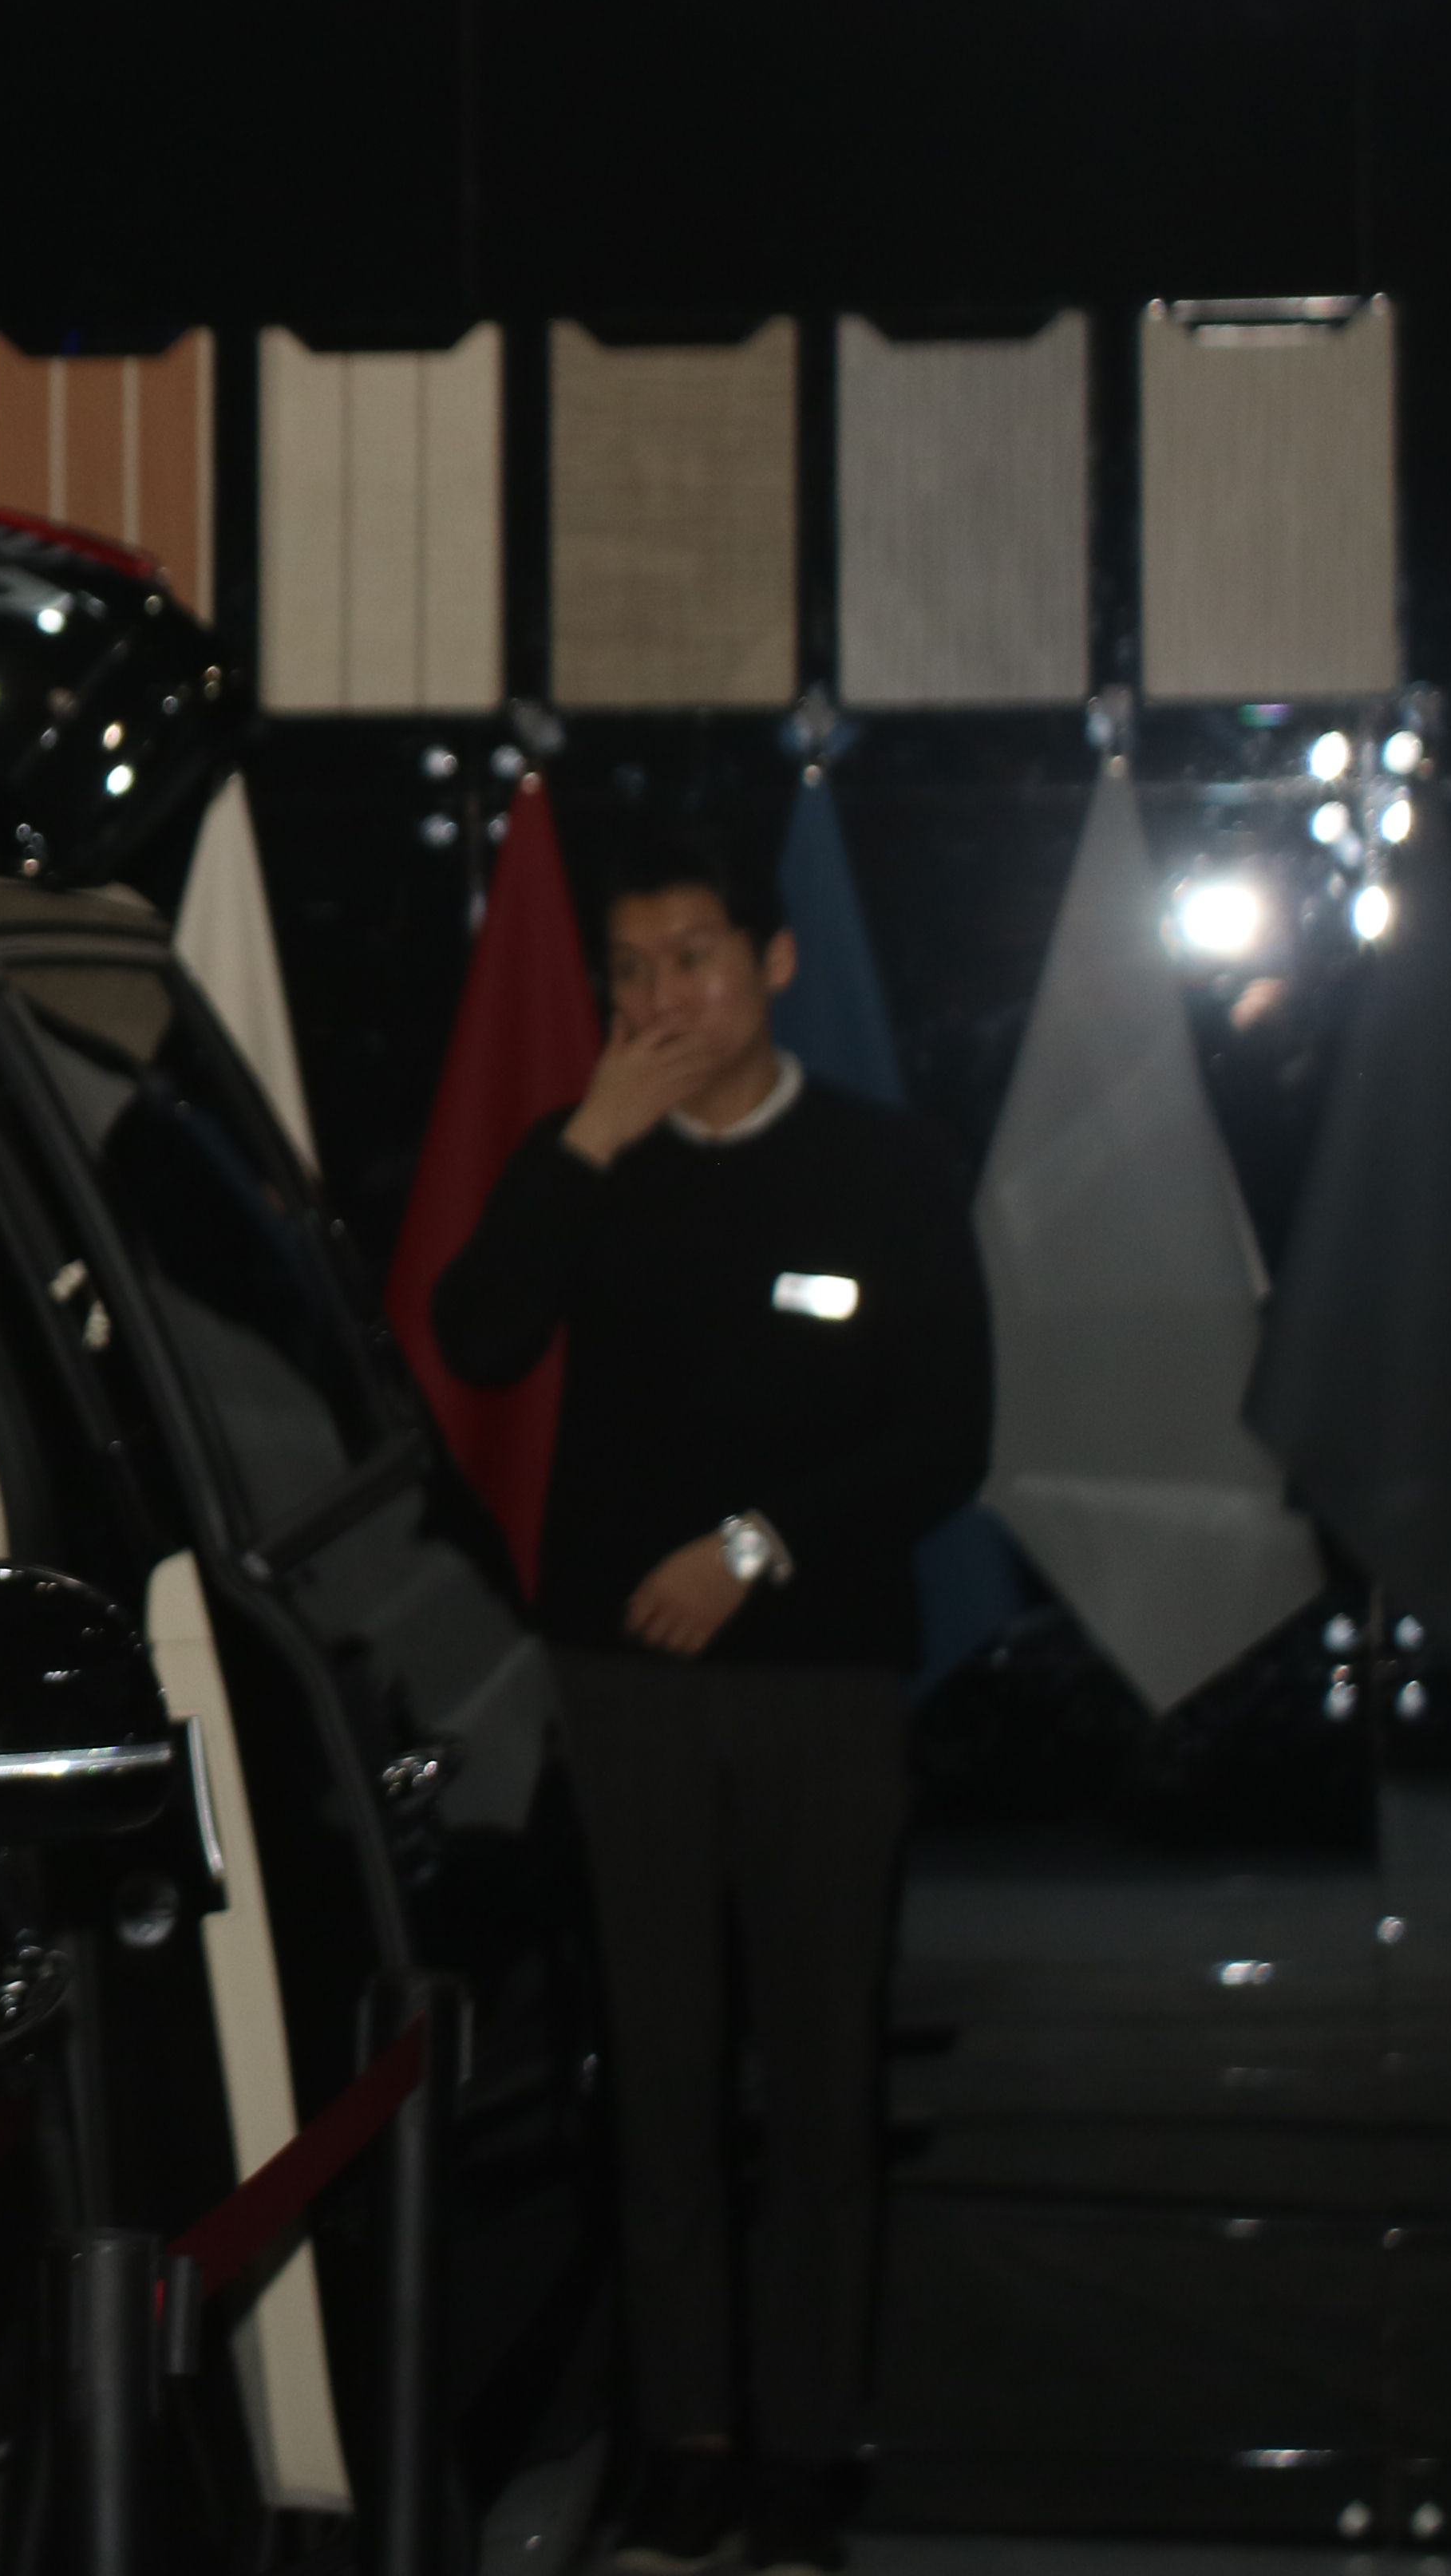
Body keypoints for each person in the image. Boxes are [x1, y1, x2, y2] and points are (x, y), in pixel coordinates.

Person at [429, 817, 990, 2576]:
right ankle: (688, 2439)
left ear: (775, 962)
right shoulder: (589, 1156)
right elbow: (477, 1335)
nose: (664, 997)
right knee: (657, 2072)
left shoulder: (884, 1162)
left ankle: (808, 2448)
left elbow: (948, 1433)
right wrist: (586, 1140)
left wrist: (757, 1544)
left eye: (695, 959)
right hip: (627, 1683)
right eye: (633, 971)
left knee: (821, 2072)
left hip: (821, 1678)